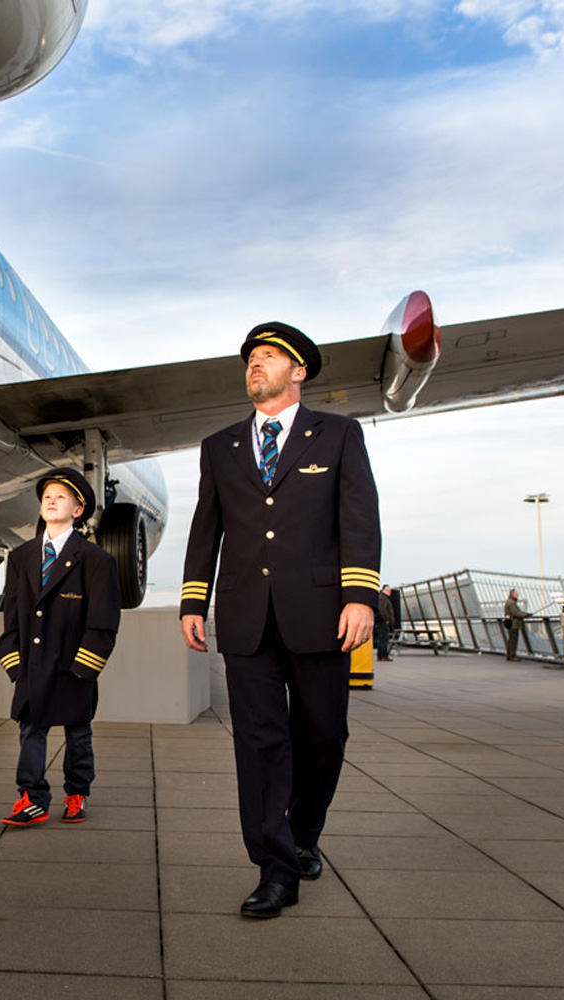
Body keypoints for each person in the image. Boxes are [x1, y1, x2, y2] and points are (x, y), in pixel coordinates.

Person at [180, 321, 381, 919]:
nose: (255, 365)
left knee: (323, 733)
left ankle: (303, 831)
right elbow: (206, 527)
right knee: (260, 743)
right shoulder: (220, 447)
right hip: (245, 617)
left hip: (322, 614)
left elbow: (359, 519)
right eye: (250, 359)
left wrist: (360, 597)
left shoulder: (338, 435)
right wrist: (195, 602)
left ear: (299, 372)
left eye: (269, 357)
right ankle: (275, 866)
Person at [0, 467, 121, 827]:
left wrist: (85, 666)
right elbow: (12, 612)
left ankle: (77, 792)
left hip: (73, 664)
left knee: (77, 731)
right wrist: (13, 660)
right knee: (30, 728)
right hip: (32, 664)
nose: (51, 500)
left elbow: (104, 619)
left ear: (78, 510)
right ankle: (32, 798)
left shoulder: (96, 559)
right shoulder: (21, 557)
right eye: (46, 496)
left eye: (60, 496)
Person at [504, 588, 529, 661]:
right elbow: (516, 613)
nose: (518, 595)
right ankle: (512, 655)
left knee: (511, 639)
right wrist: (526, 615)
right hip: (514, 623)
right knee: (513, 639)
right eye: (516, 594)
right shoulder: (511, 603)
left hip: (510, 622)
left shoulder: (509, 602)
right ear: (512, 594)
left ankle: (509, 655)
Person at [375, 584, 396, 661]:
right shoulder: (383, 598)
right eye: (387, 590)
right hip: (383, 622)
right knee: (384, 639)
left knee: (382, 639)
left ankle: (380, 656)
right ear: (383, 590)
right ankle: (383, 655)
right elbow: (382, 610)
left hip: (381, 622)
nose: (389, 592)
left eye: (390, 590)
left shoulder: (382, 598)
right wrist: (387, 620)